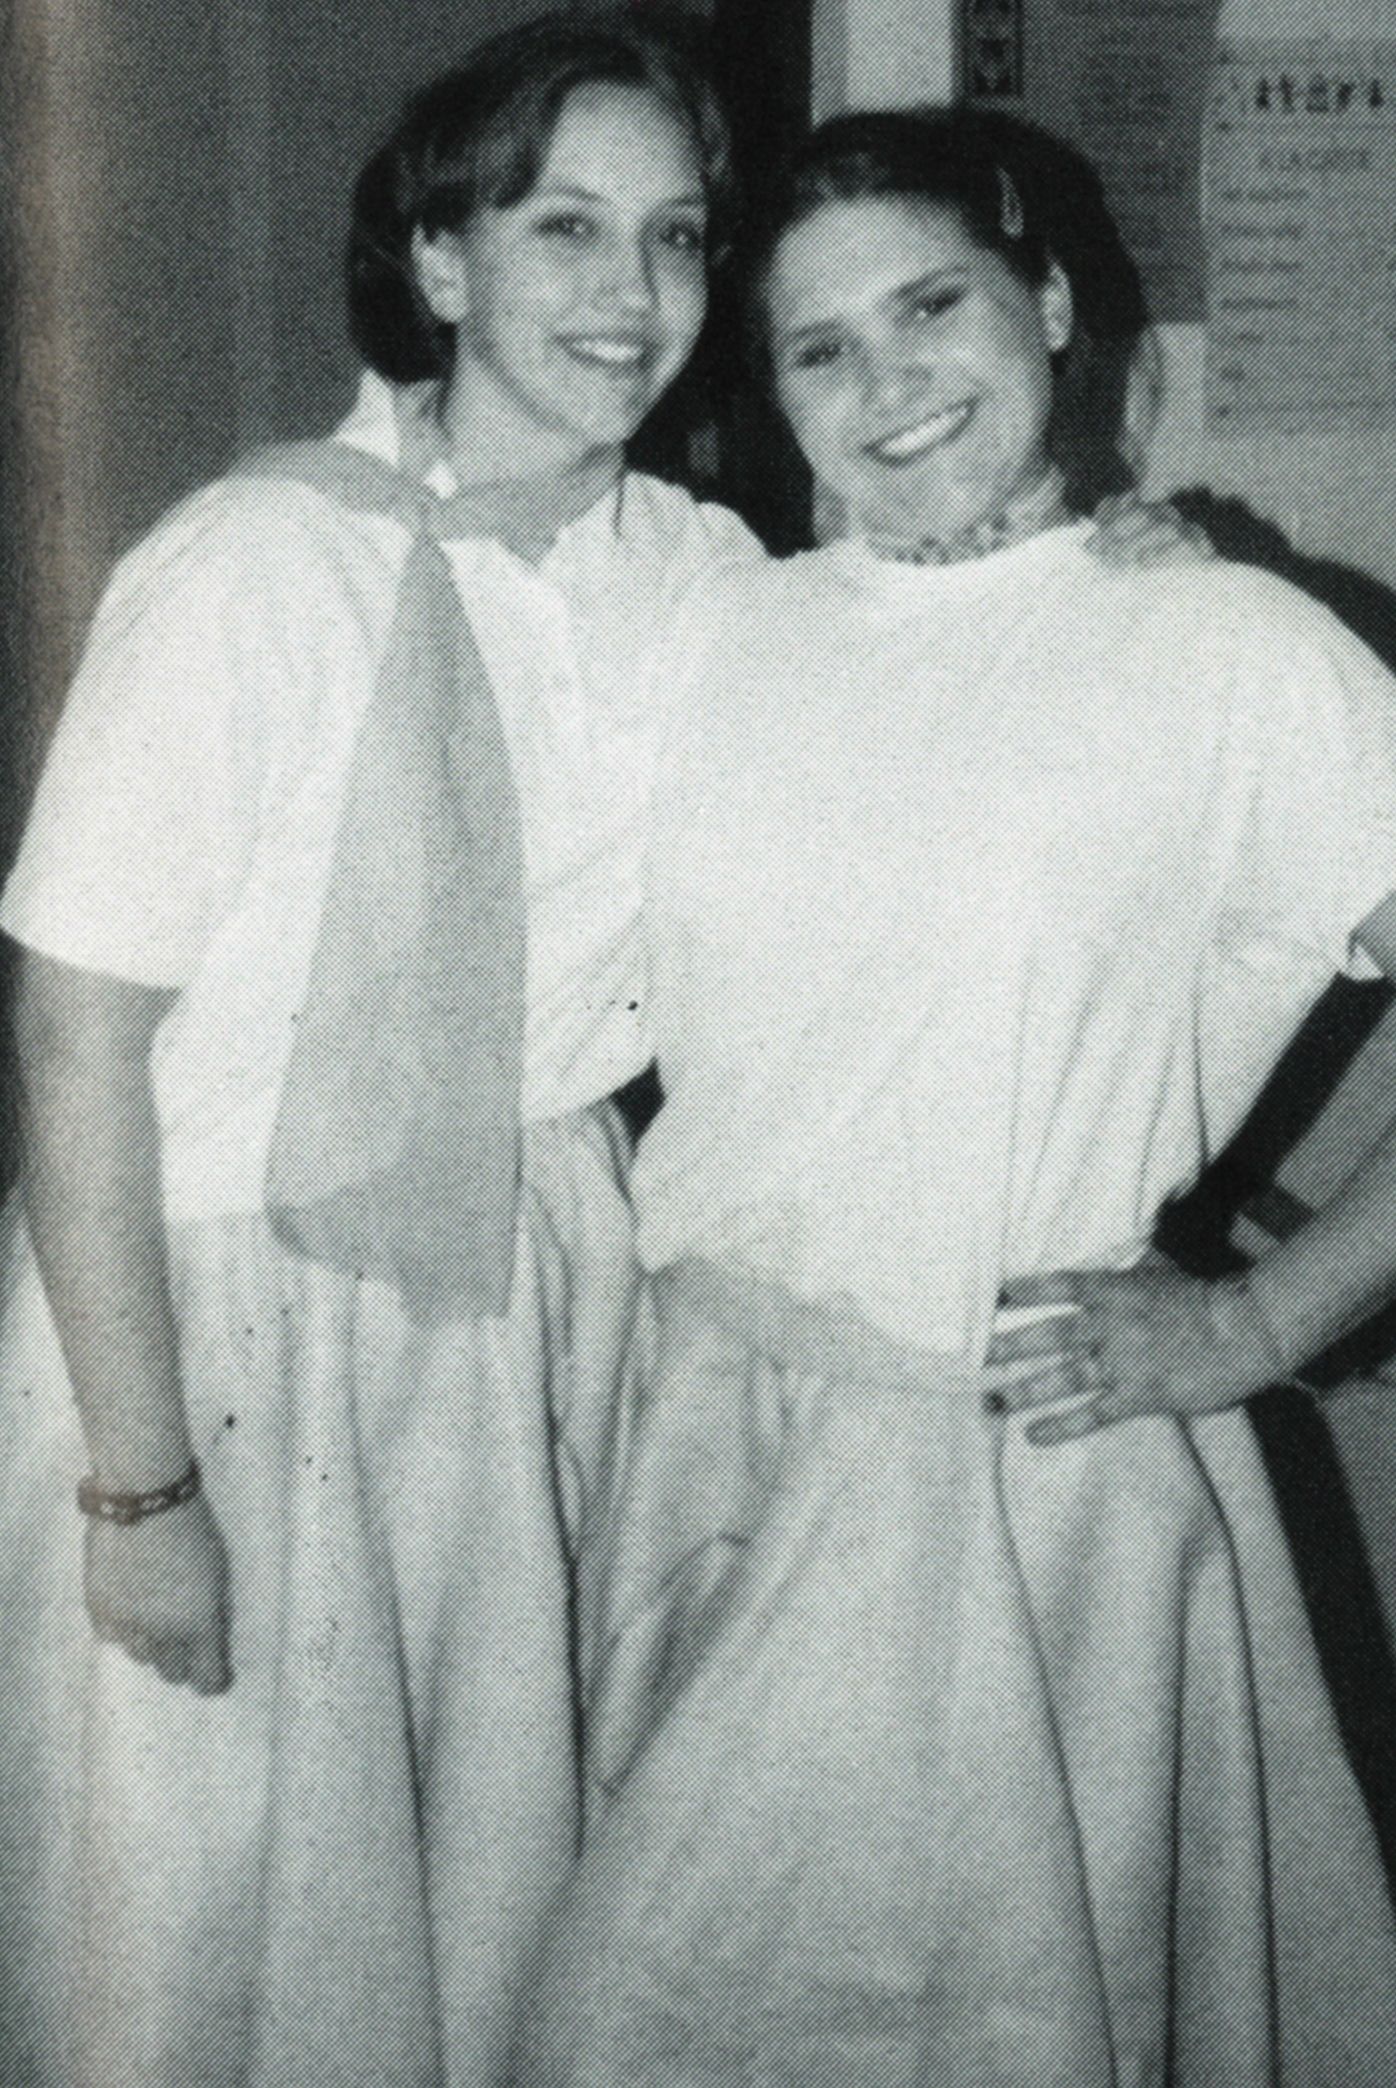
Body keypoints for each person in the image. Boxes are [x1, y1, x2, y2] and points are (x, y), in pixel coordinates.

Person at [517, 108, 1396, 2087]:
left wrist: (1263, 1316)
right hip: (686, 1438)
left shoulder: (1229, 645)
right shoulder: (721, 624)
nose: (885, 379)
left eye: (932, 307)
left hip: (993, 1497)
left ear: (1052, 305)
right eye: (818, 348)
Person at [0, 14, 758, 2086]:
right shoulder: (250, 564)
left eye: (677, 238)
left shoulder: (706, 581)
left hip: (523, 1286)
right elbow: (73, 1031)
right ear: (440, 264)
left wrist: (1086, 532)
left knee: (492, 1906)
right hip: (213, 1311)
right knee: (195, 1919)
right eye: (566, 228)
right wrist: (144, 1487)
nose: (631, 296)